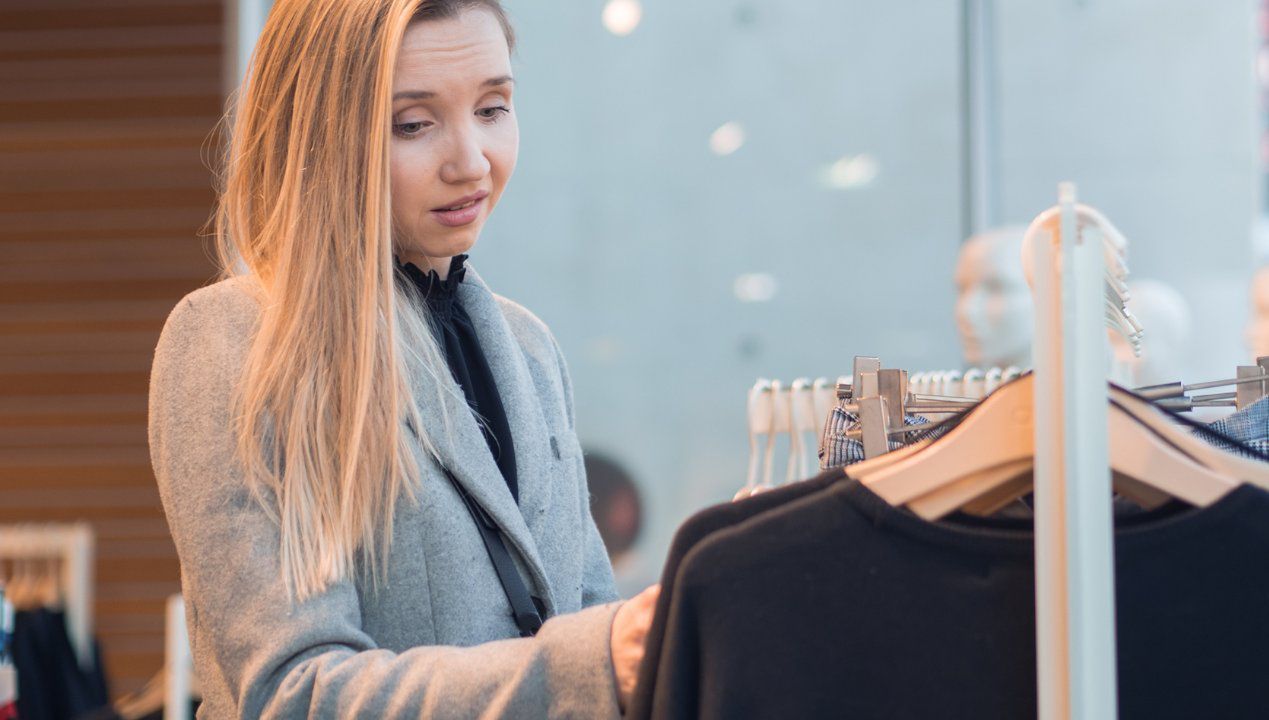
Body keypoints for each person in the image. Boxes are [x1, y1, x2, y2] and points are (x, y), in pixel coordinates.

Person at [146, 1, 658, 717]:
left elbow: (594, 626)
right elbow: (293, 694)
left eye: (493, 108)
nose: (471, 161)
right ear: (318, 135)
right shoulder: (233, 340)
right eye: (413, 124)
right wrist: (600, 659)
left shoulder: (530, 349)